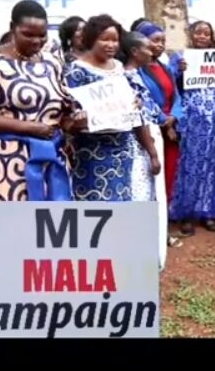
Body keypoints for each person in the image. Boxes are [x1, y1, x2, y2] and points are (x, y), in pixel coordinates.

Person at [0, 0, 85, 201]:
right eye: (28, 35)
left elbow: (62, 109)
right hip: (3, 160)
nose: (37, 41)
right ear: (12, 28)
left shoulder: (52, 62)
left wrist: (75, 123)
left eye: (42, 35)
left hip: (50, 158)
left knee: (50, 217)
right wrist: (30, 128)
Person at [65, 14, 160, 201]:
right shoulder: (76, 71)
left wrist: (135, 104)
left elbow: (131, 106)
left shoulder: (118, 67)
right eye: (105, 40)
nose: (111, 45)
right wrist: (79, 119)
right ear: (91, 39)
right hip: (92, 153)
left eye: (115, 40)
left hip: (123, 150)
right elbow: (68, 115)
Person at [119, 31, 178, 265]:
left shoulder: (137, 75)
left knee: (153, 192)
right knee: (143, 192)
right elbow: (140, 116)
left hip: (152, 132)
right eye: (146, 47)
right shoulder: (128, 77)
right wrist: (152, 151)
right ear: (135, 52)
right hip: (142, 139)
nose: (151, 50)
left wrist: (167, 120)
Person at [169, 22, 215, 234]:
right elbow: (171, 84)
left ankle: (207, 212)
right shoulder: (180, 57)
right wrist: (179, 72)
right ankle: (186, 214)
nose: (202, 36)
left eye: (207, 33)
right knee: (190, 165)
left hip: (214, 118)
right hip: (191, 118)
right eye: (198, 32)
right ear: (191, 35)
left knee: (211, 165)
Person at [134, 20, 183, 203]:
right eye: (155, 41)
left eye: (163, 41)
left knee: (172, 169)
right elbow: (144, 99)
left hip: (171, 126)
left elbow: (176, 96)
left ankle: (170, 210)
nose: (160, 45)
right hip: (152, 128)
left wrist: (174, 117)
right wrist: (164, 121)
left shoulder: (165, 68)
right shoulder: (137, 72)